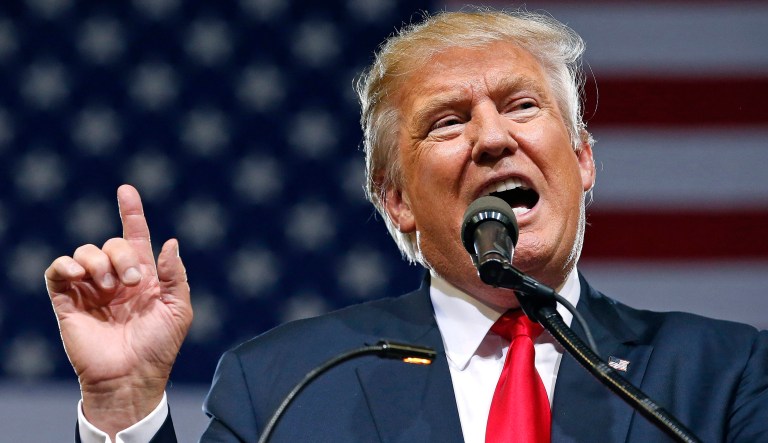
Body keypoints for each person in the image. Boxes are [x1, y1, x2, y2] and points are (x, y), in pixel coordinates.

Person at [46, 9, 768, 443]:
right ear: (396, 200)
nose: (491, 139)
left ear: (582, 160)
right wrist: (124, 404)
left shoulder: (724, 372)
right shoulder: (285, 382)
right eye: (449, 121)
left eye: (522, 106)